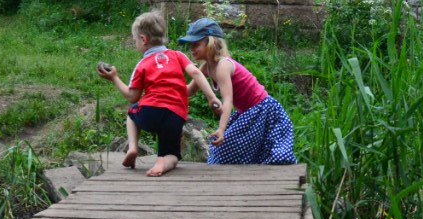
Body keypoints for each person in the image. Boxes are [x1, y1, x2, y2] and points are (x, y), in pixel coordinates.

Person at [98, 9, 222, 176]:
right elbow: (196, 73)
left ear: (143, 40)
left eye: (135, 40)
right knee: (172, 155)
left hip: (150, 112)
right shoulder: (177, 55)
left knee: (132, 111)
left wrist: (114, 78)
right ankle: (162, 162)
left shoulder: (143, 64)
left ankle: (133, 147)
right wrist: (212, 98)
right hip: (175, 116)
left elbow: (132, 95)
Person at [178, 16, 296, 165]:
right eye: (190, 45)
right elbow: (189, 90)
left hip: (262, 110)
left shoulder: (223, 66)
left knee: (229, 149)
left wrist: (221, 129)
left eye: (196, 44)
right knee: (225, 150)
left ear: (211, 43)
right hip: (247, 112)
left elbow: (228, 100)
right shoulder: (206, 67)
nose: (192, 49)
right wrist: (165, 87)